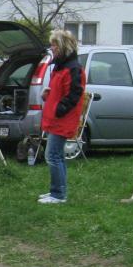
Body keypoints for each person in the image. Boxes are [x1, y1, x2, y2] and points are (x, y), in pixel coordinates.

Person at [38, 29, 85, 204]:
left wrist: (59, 109)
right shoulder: (61, 67)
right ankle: (58, 191)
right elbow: (62, 91)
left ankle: (58, 194)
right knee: (56, 155)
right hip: (56, 118)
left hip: (62, 120)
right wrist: (48, 94)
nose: (52, 48)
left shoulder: (73, 69)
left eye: (55, 45)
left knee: (52, 156)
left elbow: (74, 94)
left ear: (64, 46)